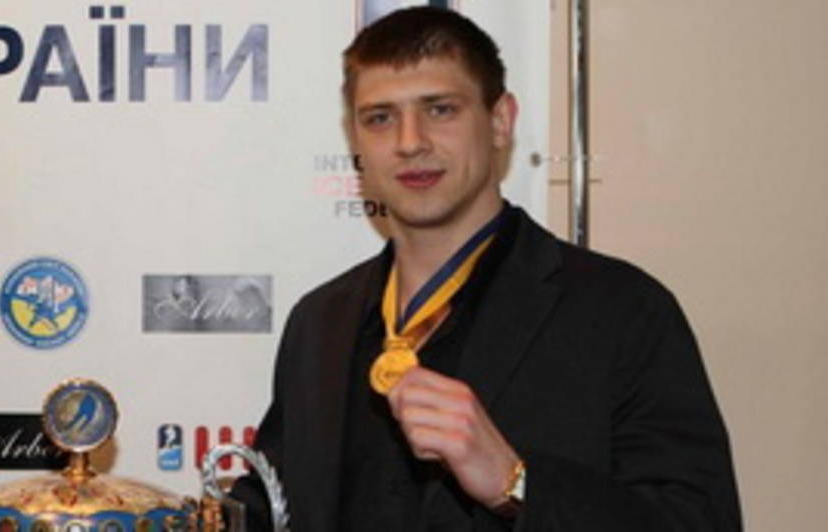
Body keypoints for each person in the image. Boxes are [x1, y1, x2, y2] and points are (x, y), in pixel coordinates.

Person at [231, 7, 742, 531]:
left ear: (500, 121)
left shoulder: (622, 310)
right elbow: (271, 508)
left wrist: (515, 483)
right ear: (355, 138)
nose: (410, 142)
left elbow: (701, 522)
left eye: (440, 110)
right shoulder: (320, 322)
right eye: (380, 118)